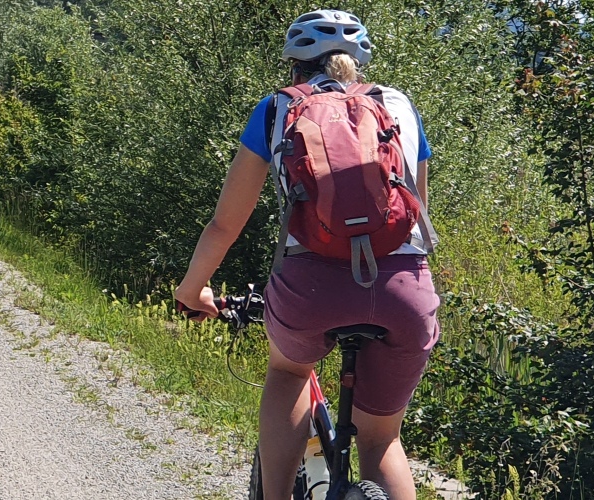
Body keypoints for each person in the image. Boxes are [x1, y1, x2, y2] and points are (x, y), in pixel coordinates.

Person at [173, 9, 438, 500]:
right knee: (381, 440)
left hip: (311, 285)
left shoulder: (275, 109)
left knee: (289, 370)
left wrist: (193, 290)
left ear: (293, 65)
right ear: (358, 63)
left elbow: (225, 223)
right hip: (405, 289)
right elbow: (417, 217)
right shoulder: (401, 107)